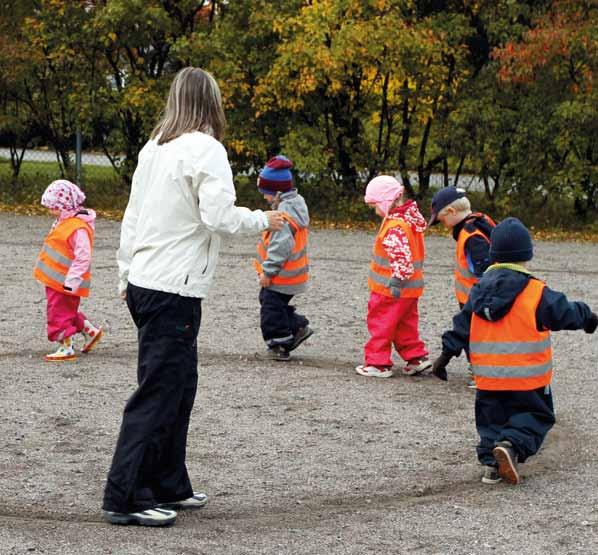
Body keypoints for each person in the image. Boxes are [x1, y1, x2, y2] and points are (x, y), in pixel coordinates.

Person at [102, 67, 284, 527]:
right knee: (161, 391)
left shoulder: (154, 148)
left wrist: (126, 273)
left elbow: (132, 216)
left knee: (180, 387)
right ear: (212, 103)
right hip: (173, 287)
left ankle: (168, 483)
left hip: (148, 281)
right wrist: (263, 220)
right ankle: (126, 495)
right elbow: (219, 216)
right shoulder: (207, 149)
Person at [431, 217, 598, 485]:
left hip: (487, 380)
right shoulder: (535, 292)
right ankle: (511, 446)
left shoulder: (477, 292)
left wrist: (444, 357)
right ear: (526, 255)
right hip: (527, 379)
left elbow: (461, 326)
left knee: (491, 422)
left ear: (494, 254)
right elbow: (565, 311)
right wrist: (588, 318)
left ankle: (492, 467)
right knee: (536, 416)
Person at [355, 175, 431, 378]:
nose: (375, 211)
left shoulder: (394, 226)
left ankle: (377, 363)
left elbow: (401, 257)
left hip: (390, 289)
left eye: (375, 206)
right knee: (405, 325)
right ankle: (417, 358)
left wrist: (396, 280)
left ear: (386, 202)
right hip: (411, 290)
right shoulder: (410, 220)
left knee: (381, 323)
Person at [428, 186, 495, 387]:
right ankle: (480, 369)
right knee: (475, 336)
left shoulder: (471, 236)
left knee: (476, 336)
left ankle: (484, 374)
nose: (444, 225)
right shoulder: (481, 221)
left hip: (477, 298)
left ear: (451, 212)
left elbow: (485, 270)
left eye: (442, 220)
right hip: (477, 296)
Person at [33, 179, 104, 362]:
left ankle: (66, 347)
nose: (50, 211)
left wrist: (72, 281)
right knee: (66, 310)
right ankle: (90, 331)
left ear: (65, 205)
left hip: (66, 281)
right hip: (58, 279)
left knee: (58, 312)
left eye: (54, 207)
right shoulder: (64, 221)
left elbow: (83, 257)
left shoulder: (77, 227)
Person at [253, 155, 313, 361]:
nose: (265, 198)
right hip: (292, 276)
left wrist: (268, 272)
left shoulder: (283, 217)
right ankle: (298, 327)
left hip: (281, 276)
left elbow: (280, 247)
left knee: (270, 309)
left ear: (278, 193)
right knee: (271, 302)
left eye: (267, 194)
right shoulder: (296, 205)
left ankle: (280, 342)